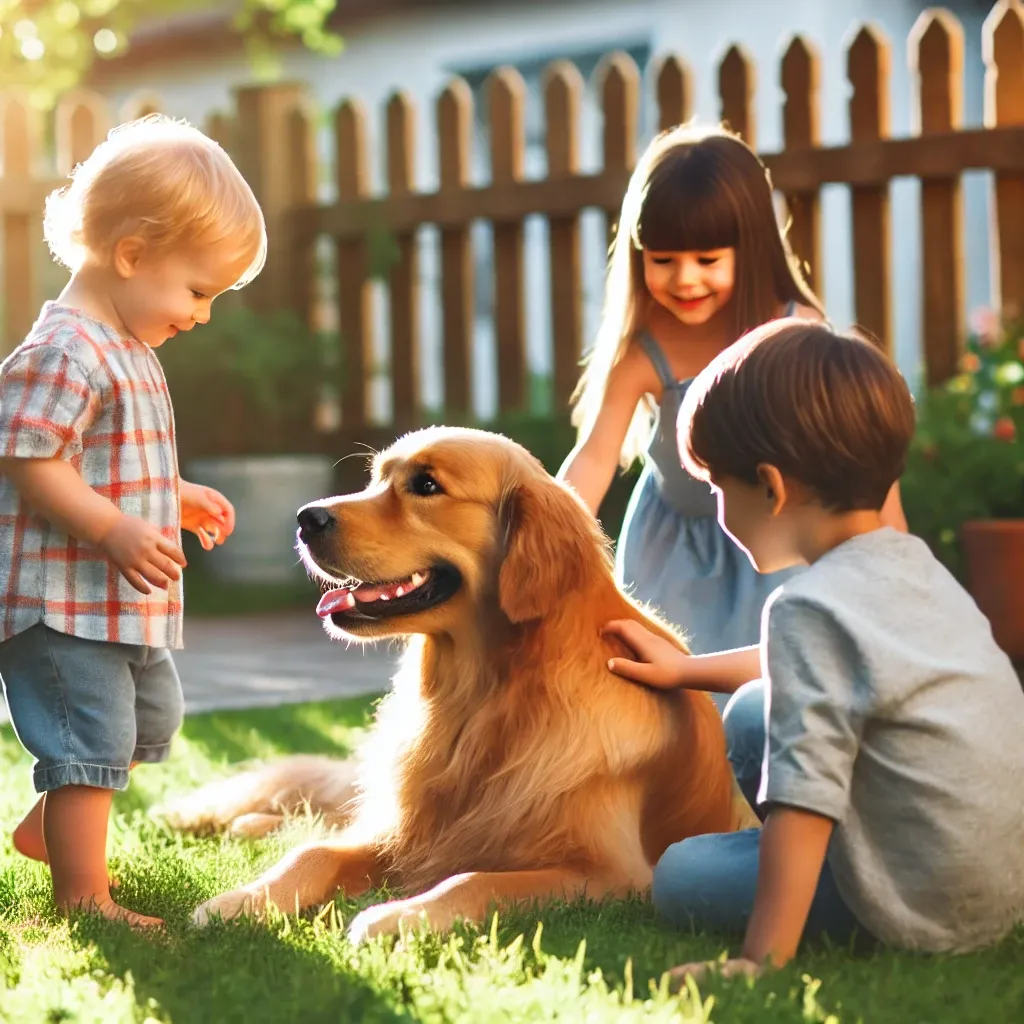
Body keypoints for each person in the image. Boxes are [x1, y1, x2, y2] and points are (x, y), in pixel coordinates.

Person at [602, 320, 1024, 981]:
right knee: (753, 709)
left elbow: (804, 794)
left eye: (717, 489)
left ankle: (808, 890)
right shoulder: (913, 565)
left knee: (680, 874)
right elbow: (818, 670)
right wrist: (684, 669)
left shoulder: (808, 606)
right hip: (995, 882)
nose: (718, 509)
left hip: (917, 904)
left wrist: (762, 959)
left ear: (771, 489)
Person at [0, 115, 266, 927]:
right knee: (90, 741)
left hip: (116, 605)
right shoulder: (67, 349)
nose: (204, 314)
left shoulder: (128, 347)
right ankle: (84, 898)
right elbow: (28, 456)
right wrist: (113, 529)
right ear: (131, 254)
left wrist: (172, 496)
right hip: (62, 605)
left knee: (150, 722)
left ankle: (48, 830)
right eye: (198, 291)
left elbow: (108, 459)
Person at [558, 124, 906, 705]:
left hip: (772, 545)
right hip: (673, 556)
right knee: (672, 700)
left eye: (707, 258)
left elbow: (853, 451)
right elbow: (594, 457)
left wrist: (892, 549)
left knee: (777, 689)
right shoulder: (646, 348)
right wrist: (553, 534)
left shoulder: (795, 332)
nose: (685, 278)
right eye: (663, 259)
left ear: (753, 248)